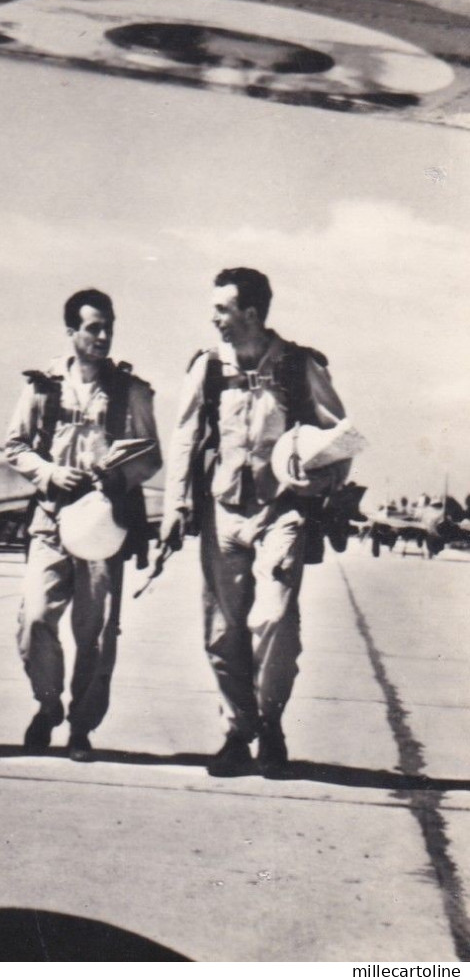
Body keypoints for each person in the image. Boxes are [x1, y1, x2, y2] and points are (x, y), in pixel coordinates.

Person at [162, 268, 346, 778]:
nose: (214, 318)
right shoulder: (207, 368)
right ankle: (238, 733)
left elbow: (340, 436)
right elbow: (184, 436)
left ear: (250, 313)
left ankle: (271, 725)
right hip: (222, 513)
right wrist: (175, 506)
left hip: (281, 511)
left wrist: (321, 481)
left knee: (273, 619)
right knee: (222, 631)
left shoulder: (298, 365)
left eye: (222, 309)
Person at [4, 289, 159, 762]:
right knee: (35, 619)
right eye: (93, 328)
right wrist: (50, 473)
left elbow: (150, 454)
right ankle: (48, 705)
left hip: (104, 523)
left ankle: (80, 726)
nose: (103, 336)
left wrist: (117, 476)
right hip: (52, 518)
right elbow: (15, 446)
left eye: (108, 327)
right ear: (71, 331)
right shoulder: (41, 388)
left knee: (96, 631)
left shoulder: (131, 391)